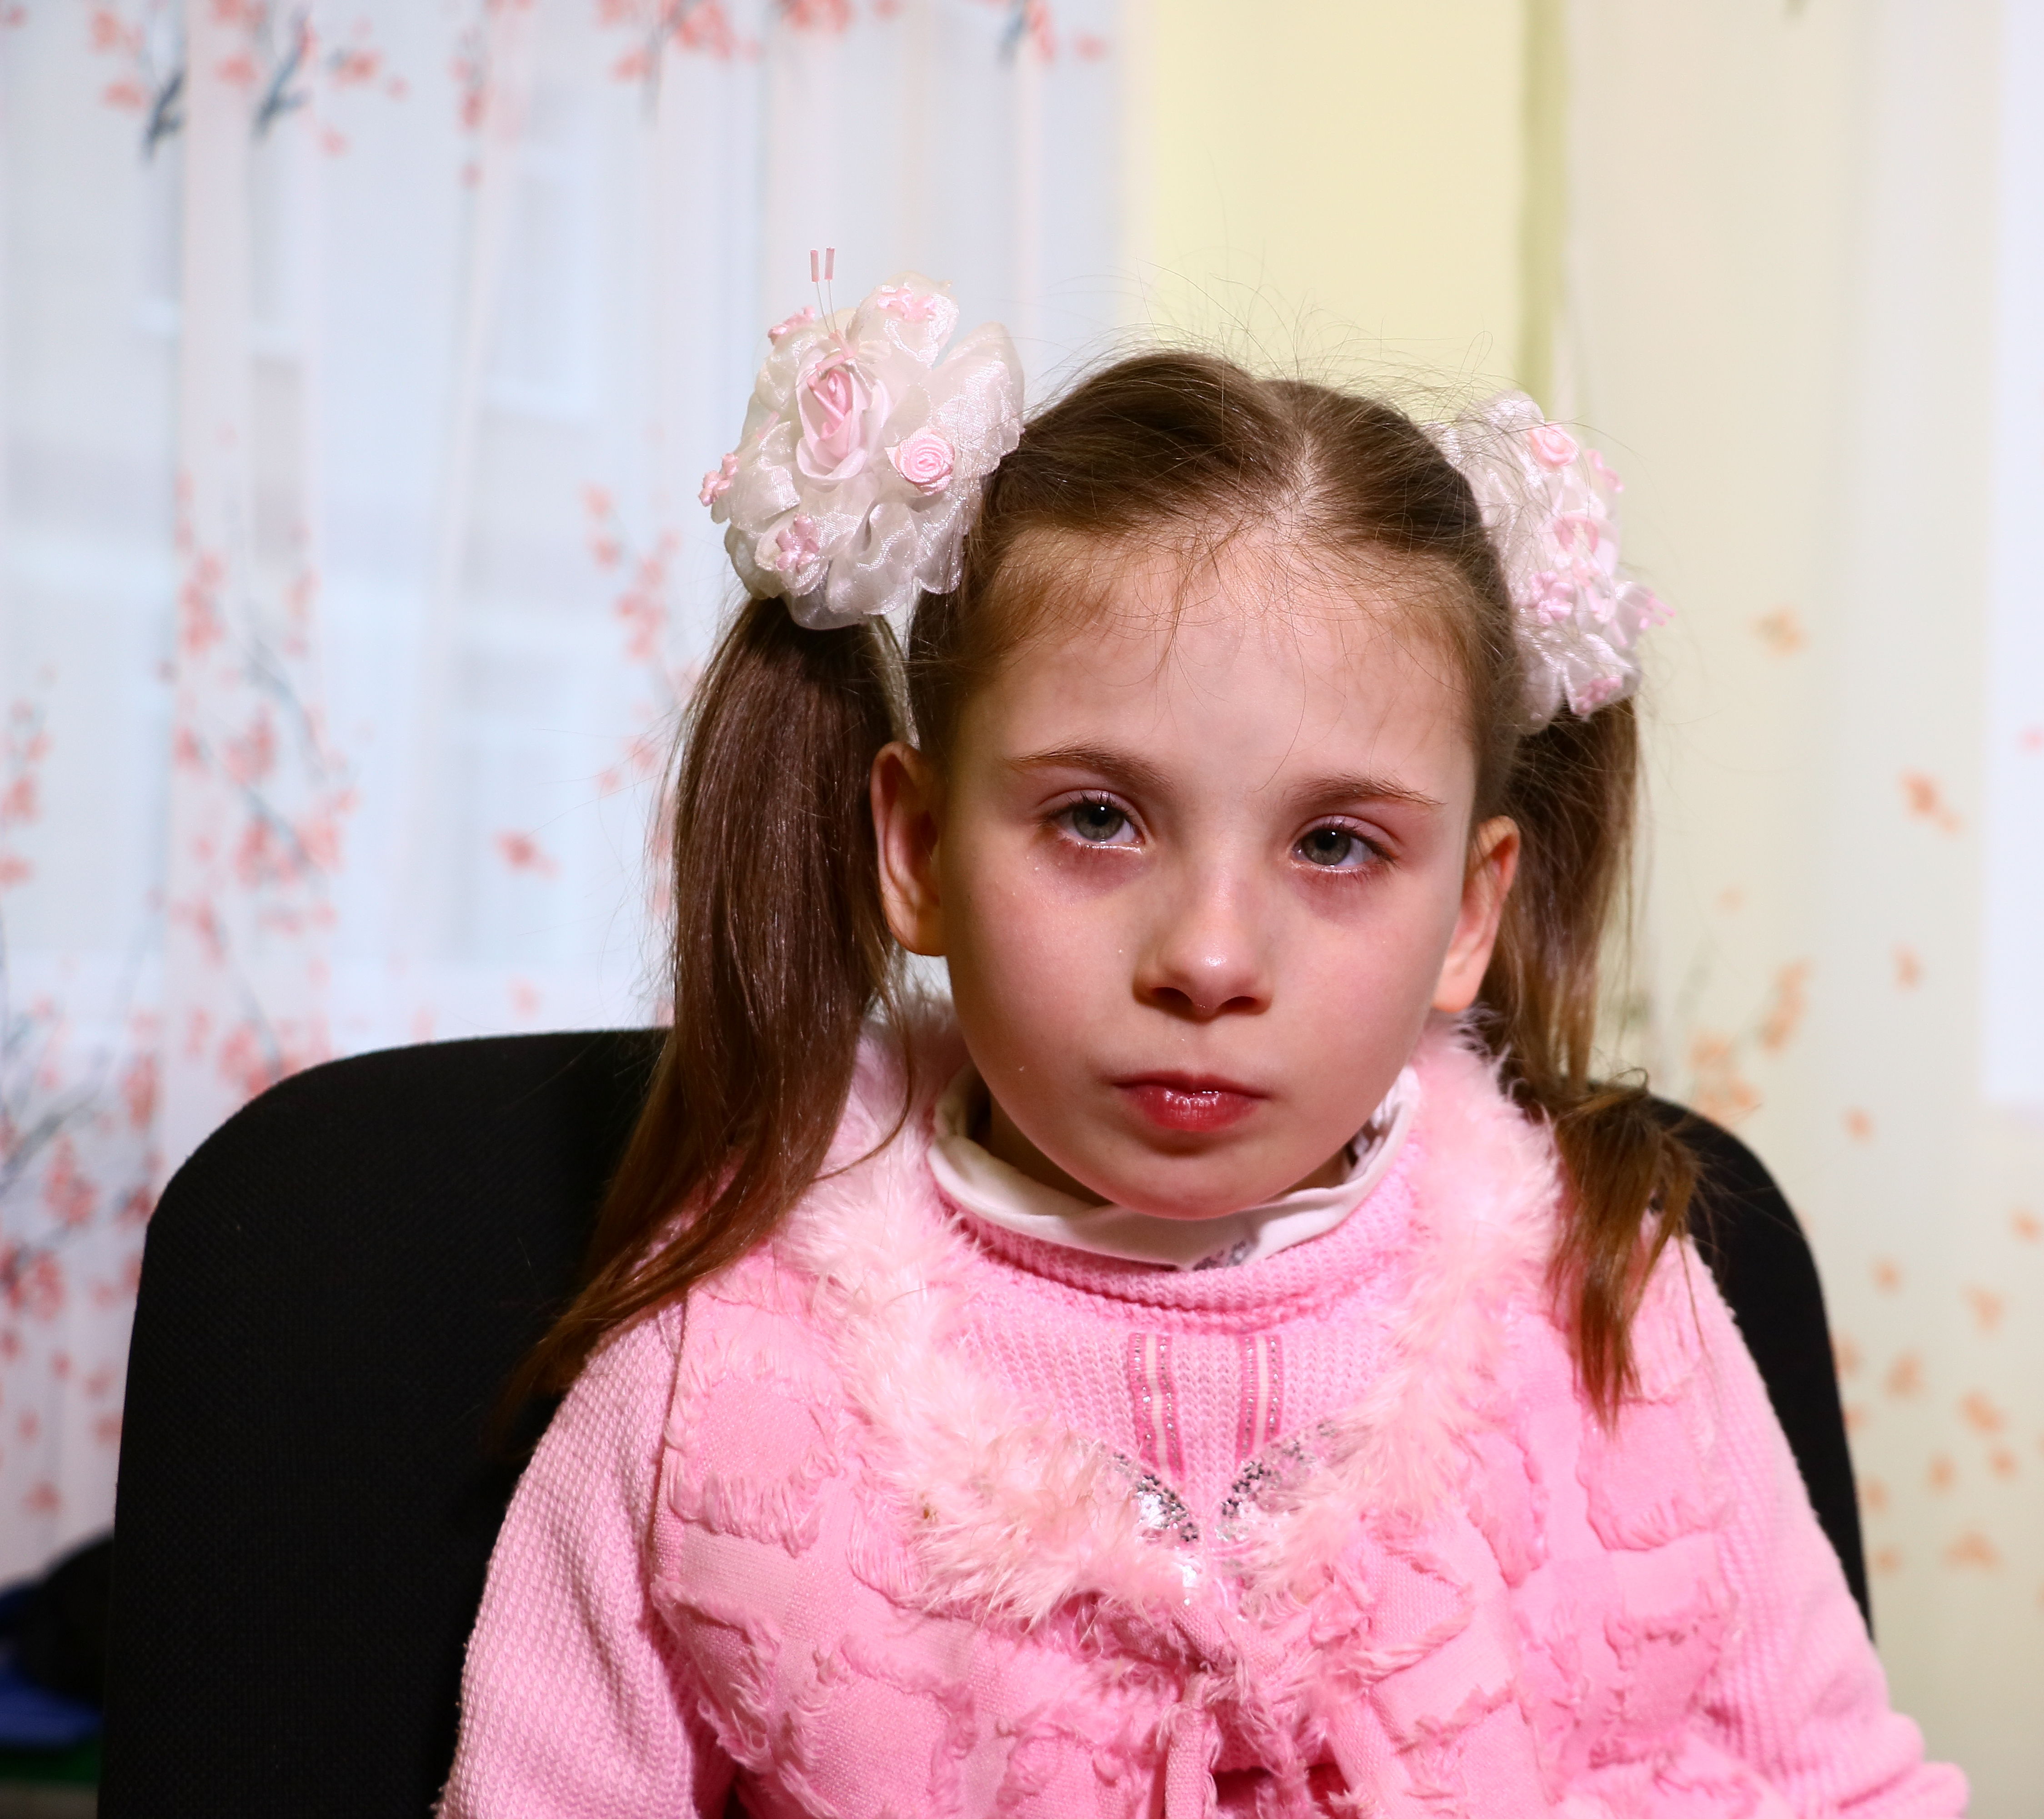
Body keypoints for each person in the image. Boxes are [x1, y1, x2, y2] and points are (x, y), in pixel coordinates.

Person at [441, 267, 1967, 1819]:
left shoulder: (1617, 1312)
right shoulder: (714, 1384)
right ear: (917, 849)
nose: (1212, 960)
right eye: (1098, 820)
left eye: (1337, 845)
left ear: (1469, 914)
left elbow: (1847, 1794)